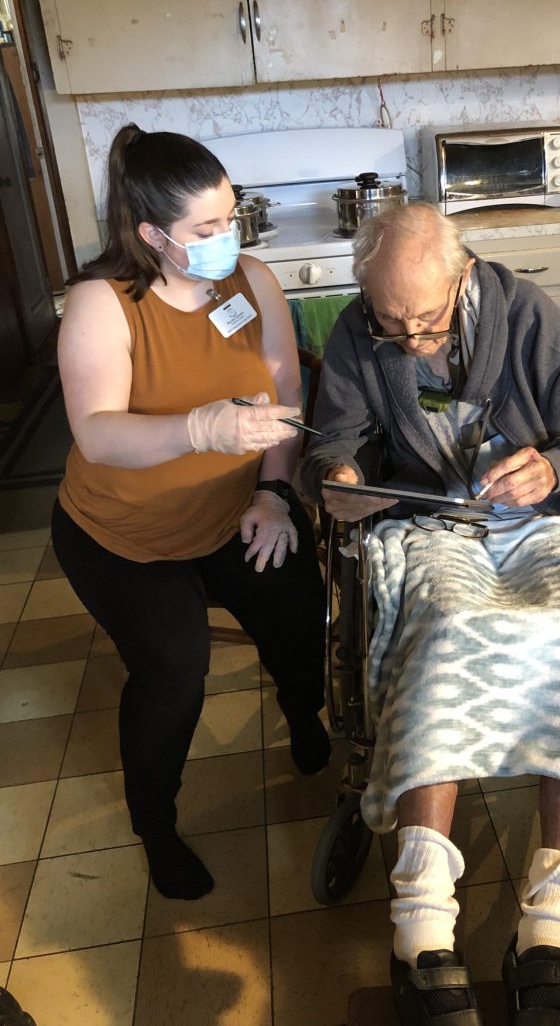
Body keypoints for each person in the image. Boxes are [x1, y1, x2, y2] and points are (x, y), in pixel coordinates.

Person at [301, 204, 560, 1026]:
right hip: (430, 527)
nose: (410, 337)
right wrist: (342, 476)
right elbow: (326, 446)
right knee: (443, 629)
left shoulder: (522, 315)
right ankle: (423, 919)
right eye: (389, 323)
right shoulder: (364, 333)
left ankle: (550, 928)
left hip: (538, 521)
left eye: (424, 319)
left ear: (462, 276)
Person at [52, 124, 328, 902]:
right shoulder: (102, 304)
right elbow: (97, 433)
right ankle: (157, 828)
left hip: (234, 511)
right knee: (174, 671)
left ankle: (303, 711)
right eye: (205, 229)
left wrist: (275, 494)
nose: (226, 239)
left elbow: (285, 401)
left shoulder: (252, 282)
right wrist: (200, 426)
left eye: (231, 217)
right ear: (151, 235)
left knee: (299, 611)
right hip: (122, 534)